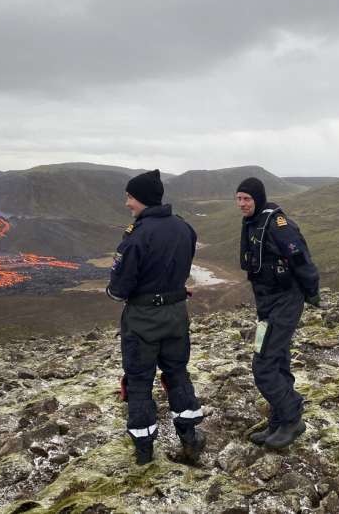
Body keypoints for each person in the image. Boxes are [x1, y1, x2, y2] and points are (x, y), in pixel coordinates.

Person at [106, 169, 205, 465]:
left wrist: (113, 291)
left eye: (130, 197)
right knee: (177, 374)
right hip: (176, 316)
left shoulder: (136, 236)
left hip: (143, 321)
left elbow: (119, 288)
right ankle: (189, 439)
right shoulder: (184, 228)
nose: (127, 204)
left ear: (143, 199)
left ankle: (144, 453)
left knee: (139, 382)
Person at [236, 177, 321, 450]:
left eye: (246, 199)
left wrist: (311, 289)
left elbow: (299, 258)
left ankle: (292, 416)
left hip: (286, 300)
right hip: (267, 304)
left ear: (257, 199)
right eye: (238, 199)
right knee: (278, 359)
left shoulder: (277, 224)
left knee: (264, 365)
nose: (242, 204)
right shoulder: (252, 223)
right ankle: (278, 421)